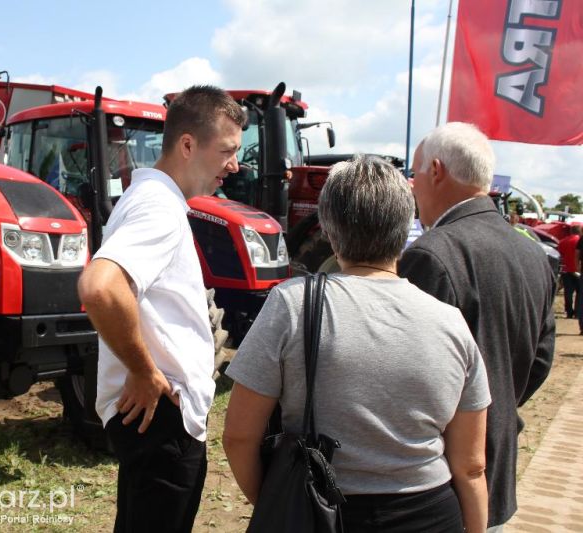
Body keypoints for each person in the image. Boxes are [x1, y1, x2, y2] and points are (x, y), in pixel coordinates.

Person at [224, 155, 491, 533]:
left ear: (330, 233)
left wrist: (279, 506)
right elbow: (471, 465)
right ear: (407, 227)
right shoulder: (451, 322)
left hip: (321, 510)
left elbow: (238, 437)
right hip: (430, 512)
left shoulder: (292, 304)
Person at [77, 85, 244, 533]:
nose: (235, 164)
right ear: (188, 144)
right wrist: (145, 371)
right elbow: (100, 287)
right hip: (160, 416)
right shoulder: (159, 208)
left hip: (154, 418)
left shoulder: (151, 199)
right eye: (227, 150)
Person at [399, 122, 556, 531]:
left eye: (414, 173)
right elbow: (540, 359)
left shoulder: (432, 256)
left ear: (436, 171)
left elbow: (412, 377)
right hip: (496, 473)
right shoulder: (531, 252)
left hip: (438, 485)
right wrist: (497, 408)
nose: (412, 186)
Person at [558, 225, 581, 319]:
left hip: (566, 270)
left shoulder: (563, 241)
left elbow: (560, 255)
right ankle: (578, 312)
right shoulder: (580, 241)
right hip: (578, 270)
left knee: (568, 293)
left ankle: (569, 312)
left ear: (571, 231)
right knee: (580, 293)